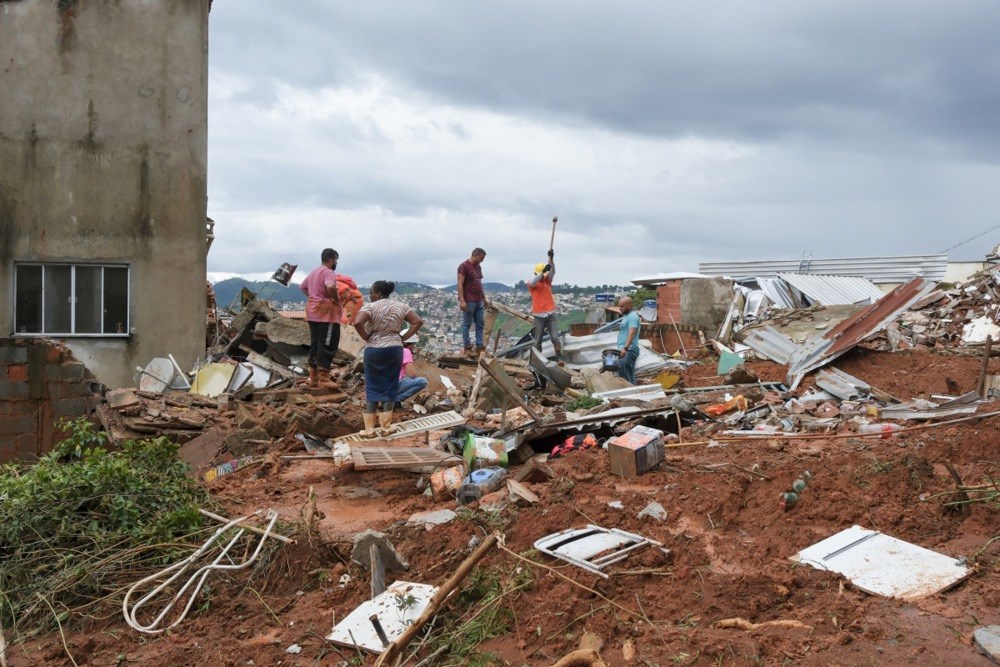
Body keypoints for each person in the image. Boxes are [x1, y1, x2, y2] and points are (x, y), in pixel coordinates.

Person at [353, 281, 423, 436]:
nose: (370, 295)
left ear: (378, 293)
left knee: (372, 385)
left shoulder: (370, 307)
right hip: (394, 349)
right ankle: (386, 427)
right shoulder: (401, 306)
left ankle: (369, 429)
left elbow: (358, 322)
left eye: (371, 292)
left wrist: (366, 336)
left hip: (374, 349)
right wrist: (403, 337)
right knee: (391, 385)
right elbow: (418, 321)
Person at [299, 248, 342, 389]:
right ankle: (324, 378)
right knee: (327, 344)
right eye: (336, 260)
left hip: (312, 312)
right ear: (331, 260)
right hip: (326, 314)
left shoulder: (313, 272)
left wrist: (314, 297)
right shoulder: (328, 272)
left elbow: (303, 287)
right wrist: (334, 298)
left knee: (315, 344)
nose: (336, 263)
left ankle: (314, 378)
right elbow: (330, 286)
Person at [527, 248, 562, 360]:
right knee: (538, 341)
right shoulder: (531, 284)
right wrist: (542, 272)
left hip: (550, 315)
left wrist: (551, 259)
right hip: (539, 316)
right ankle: (538, 360)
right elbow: (533, 282)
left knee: (555, 338)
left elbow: (553, 271)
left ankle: (559, 358)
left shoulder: (547, 281)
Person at [457, 247, 487, 356]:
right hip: (469, 300)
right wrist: (462, 300)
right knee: (467, 324)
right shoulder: (464, 266)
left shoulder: (478, 267)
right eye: (481, 258)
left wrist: (484, 298)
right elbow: (460, 284)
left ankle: (479, 346)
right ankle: (467, 346)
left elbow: (479, 283)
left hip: (478, 299)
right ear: (475, 255)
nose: (482, 260)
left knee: (480, 323)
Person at [616, 296, 641, 384]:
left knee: (626, 378)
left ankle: (631, 395)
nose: (620, 308)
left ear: (629, 306)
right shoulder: (627, 316)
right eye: (619, 306)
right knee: (623, 375)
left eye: (622, 306)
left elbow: (632, 332)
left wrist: (625, 348)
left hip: (628, 350)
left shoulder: (632, 317)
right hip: (625, 350)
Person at [396, 338, 428, 403]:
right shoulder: (406, 351)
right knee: (423, 381)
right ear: (411, 344)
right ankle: (397, 400)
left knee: (404, 378)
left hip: (381, 387)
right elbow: (412, 374)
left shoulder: (393, 350)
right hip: (393, 385)